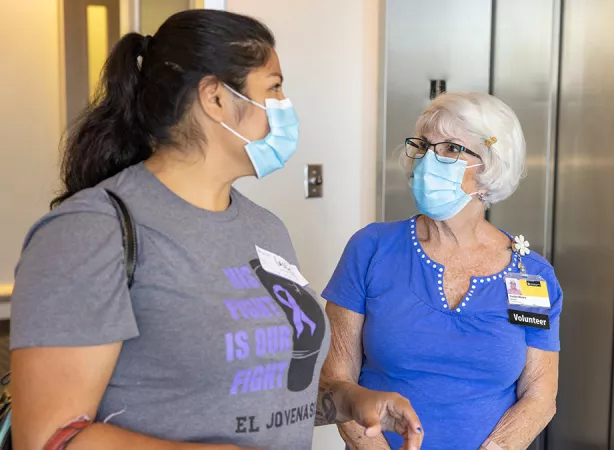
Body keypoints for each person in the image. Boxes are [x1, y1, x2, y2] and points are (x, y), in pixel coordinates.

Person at [10, 10, 422, 450]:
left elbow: (265, 397)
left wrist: (348, 401)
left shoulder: (265, 229)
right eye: (274, 87)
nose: (285, 106)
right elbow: (47, 437)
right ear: (215, 98)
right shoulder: (91, 231)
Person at [321, 93, 562, 450]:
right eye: (423, 146)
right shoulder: (371, 249)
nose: (428, 160)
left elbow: (539, 396)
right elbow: (335, 381)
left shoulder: (531, 276)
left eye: (451, 149)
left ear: (491, 168)